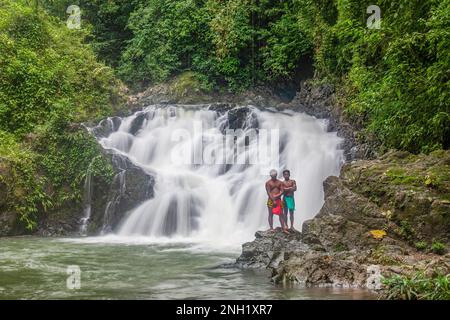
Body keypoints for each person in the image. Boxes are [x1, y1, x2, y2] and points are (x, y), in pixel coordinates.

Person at [265, 169, 289, 234]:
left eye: (275, 176)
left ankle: (283, 228)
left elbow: (282, 191)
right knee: (270, 214)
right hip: (271, 199)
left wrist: (277, 196)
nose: (274, 177)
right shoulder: (268, 183)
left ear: (276, 175)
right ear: (270, 176)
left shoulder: (280, 182)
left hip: (278, 199)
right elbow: (268, 192)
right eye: (272, 176)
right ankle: (271, 228)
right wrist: (273, 199)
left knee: (281, 214)